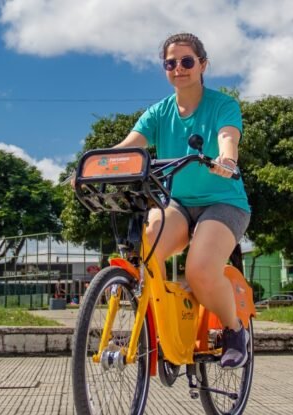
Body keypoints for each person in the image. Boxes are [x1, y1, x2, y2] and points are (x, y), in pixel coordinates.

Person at [114, 33, 251, 368]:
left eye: (187, 61)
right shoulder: (159, 112)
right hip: (177, 204)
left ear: (203, 65)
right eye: (170, 63)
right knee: (146, 246)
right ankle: (166, 327)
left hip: (224, 202)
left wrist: (227, 159)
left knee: (200, 270)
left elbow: (227, 136)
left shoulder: (222, 105)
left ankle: (234, 331)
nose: (179, 68)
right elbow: (129, 146)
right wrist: (95, 165)